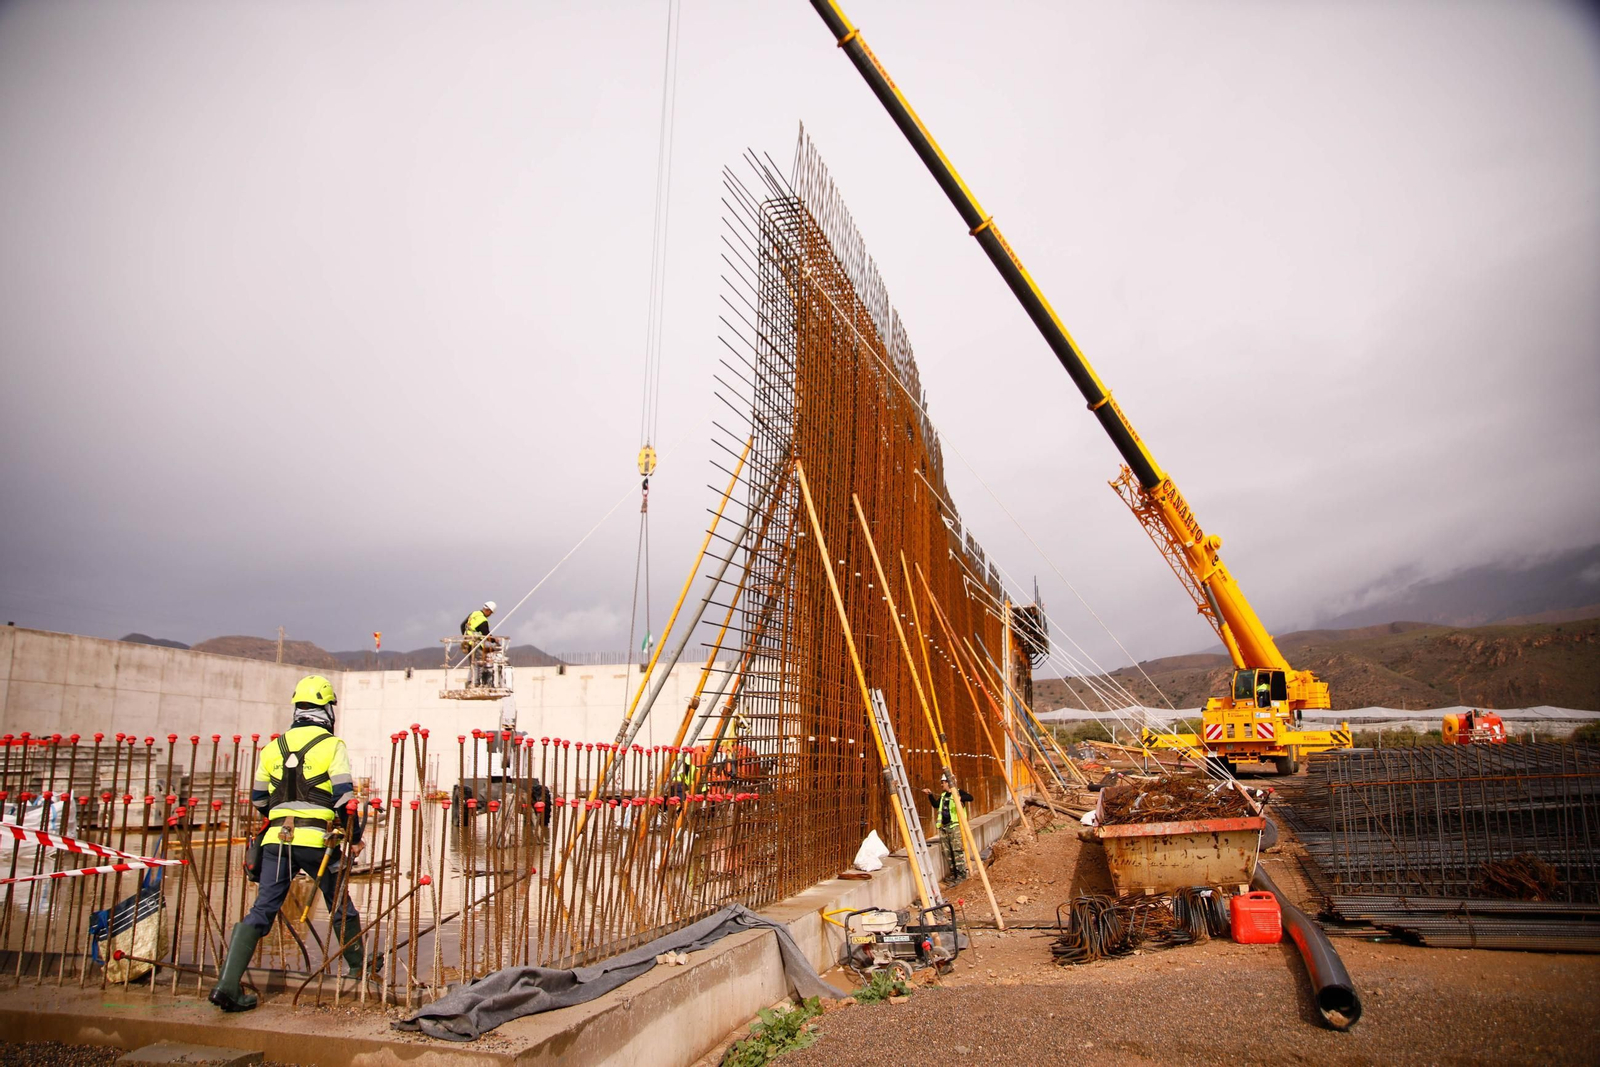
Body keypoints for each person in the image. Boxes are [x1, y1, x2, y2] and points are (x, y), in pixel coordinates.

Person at [209, 675, 366, 1012]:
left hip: (275, 842)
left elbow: (258, 798)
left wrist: (282, 816)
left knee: (263, 908)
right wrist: (354, 838)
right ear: (325, 709)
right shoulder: (332, 746)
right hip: (317, 842)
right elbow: (344, 800)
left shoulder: (271, 748)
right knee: (337, 901)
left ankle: (227, 985)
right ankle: (358, 970)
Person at [922, 776, 974, 884]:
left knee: (957, 851)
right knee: (948, 853)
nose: (941, 785)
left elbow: (970, 797)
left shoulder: (958, 792)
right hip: (944, 828)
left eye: (943, 782)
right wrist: (930, 795)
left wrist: (959, 798)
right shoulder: (943, 795)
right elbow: (936, 805)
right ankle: (954, 874)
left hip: (955, 827)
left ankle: (961, 875)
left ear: (948, 783)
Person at [460, 601, 496, 685]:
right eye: (490, 613)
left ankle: (470, 682)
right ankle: (475, 683)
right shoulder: (483, 620)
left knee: (472, 663)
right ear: (489, 611)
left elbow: (462, 625)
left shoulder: (474, 614)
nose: (490, 615)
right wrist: (495, 640)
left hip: (468, 643)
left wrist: (466, 638)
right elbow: (486, 634)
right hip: (476, 644)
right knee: (478, 663)